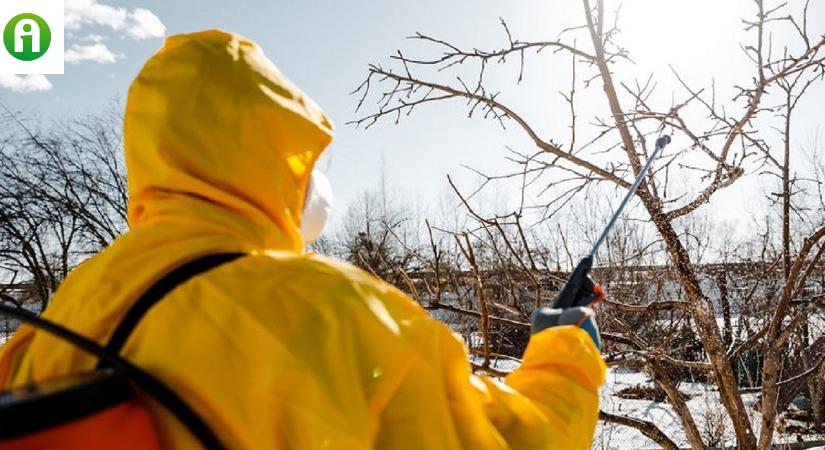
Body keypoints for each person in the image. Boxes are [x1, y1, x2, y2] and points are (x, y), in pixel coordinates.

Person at [0, 30, 605, 449]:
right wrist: (564, 355)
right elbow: (517, 439)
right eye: (305, 158)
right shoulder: (330, 313)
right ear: (273, 158)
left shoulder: (70, 311)